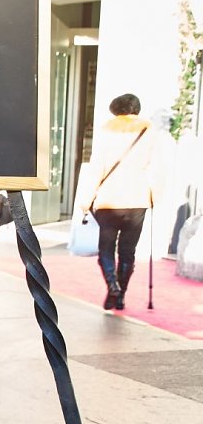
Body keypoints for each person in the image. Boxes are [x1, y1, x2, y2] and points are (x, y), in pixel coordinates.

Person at [78, 93, 160, 310]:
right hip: (137, 198)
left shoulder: (107, 129)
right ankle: (121, 295)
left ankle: (112, 285)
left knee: (105, 249)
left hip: (109, 199)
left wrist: (85, 200)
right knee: (127, 251)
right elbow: (156, 166)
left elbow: (97, 167)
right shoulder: (149, 130)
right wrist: (154, 195)